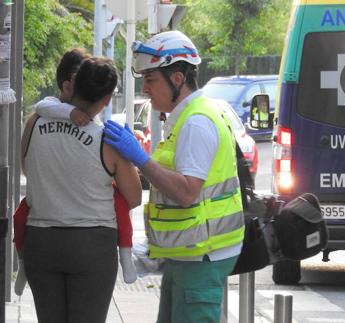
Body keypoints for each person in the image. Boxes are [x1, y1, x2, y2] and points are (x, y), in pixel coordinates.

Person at [103, 30, 245, 323]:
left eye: (151, 79)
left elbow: (186, 192)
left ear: (177, 79)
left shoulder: (196, 122)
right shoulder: (188, 117)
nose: (145, 88)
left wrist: (139, 158)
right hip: (189, 254)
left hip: (202, 256)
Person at [21, 57, 142, 323]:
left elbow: (28, 169)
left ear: (74, 84)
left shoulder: (33, 124)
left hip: (41, 241)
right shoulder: (108, 140)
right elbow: (134, 197)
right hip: (92, 246)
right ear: (108, 98)